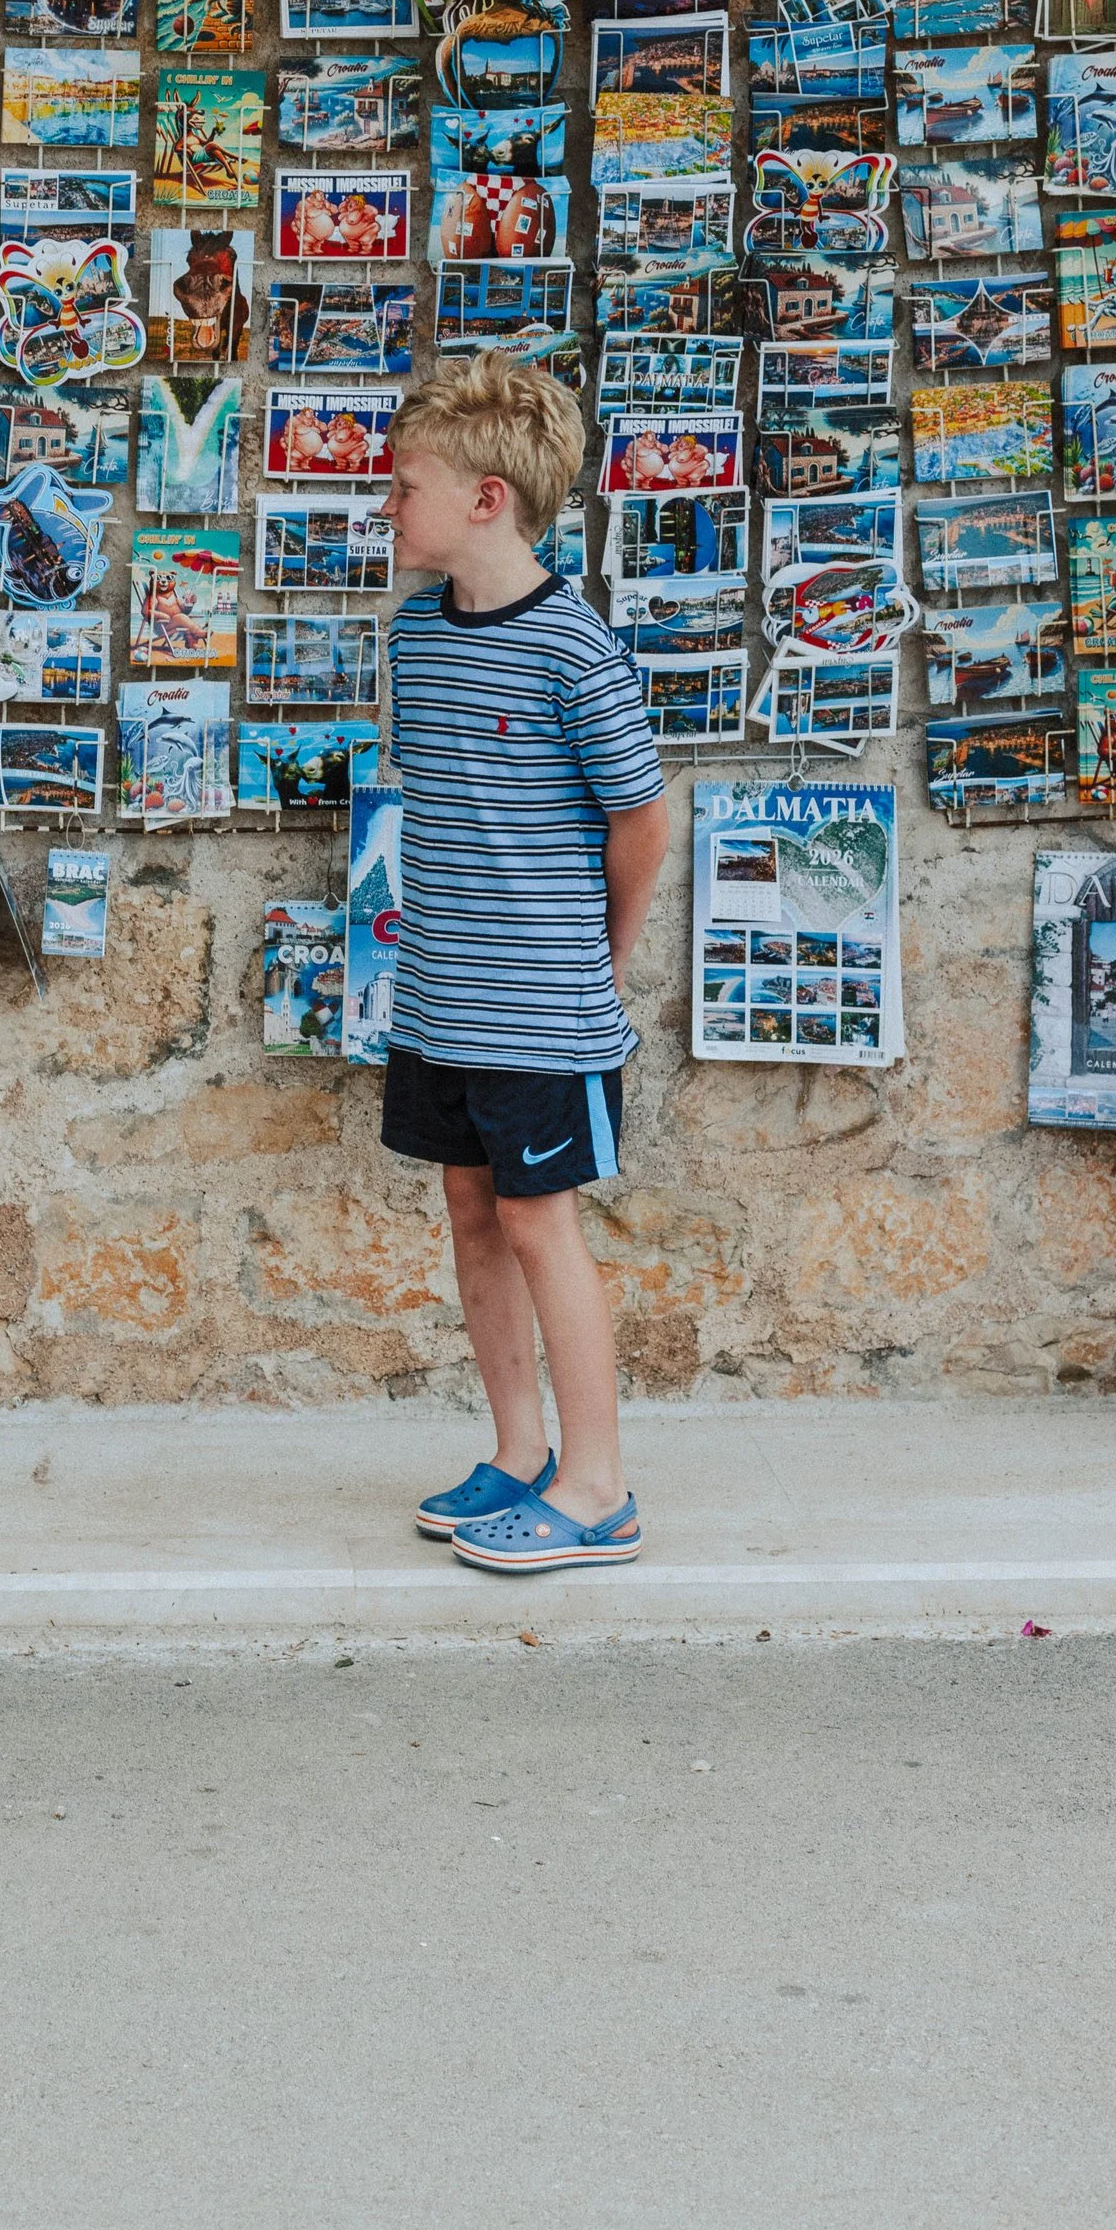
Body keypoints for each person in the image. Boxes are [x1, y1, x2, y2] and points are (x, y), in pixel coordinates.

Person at [379, 348, 669, 1575]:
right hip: (439, 995)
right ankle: (518, 1453)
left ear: (485, 498)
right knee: (468, 1208)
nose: (386, 508)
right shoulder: (416, 633)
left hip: (542, 1008)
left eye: (404, 487)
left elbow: (643, 817)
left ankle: (598, 1487)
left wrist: (600, 959)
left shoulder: (573, 649)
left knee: (540, 1221)